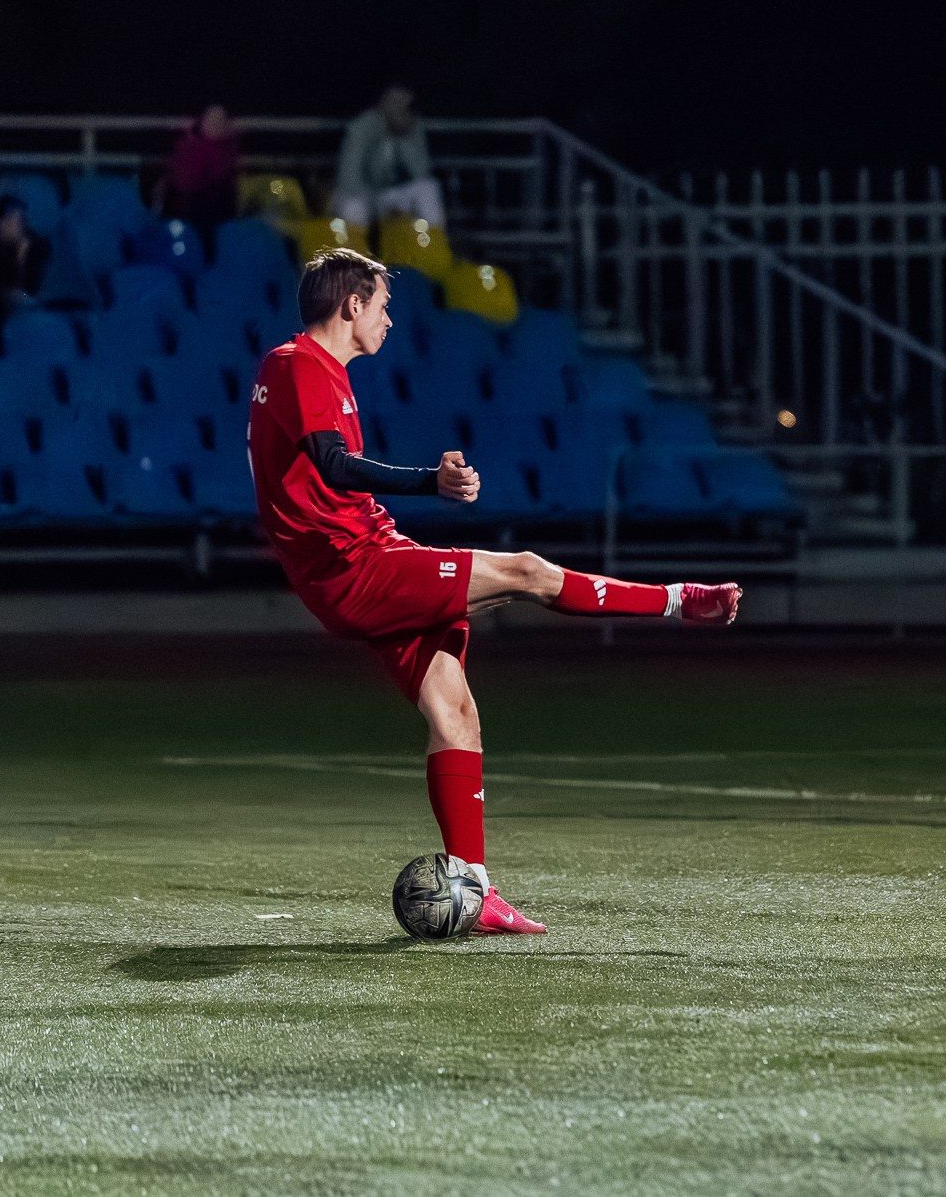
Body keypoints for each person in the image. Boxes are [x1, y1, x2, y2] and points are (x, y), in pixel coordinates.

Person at [249, 248, 741, 935]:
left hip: (366, 557)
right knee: (527, 572)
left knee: (456, 716)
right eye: (383, 305)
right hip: (357, 568)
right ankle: (678, 601)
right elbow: (332, 464)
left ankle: (475, 891)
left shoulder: (306, 370)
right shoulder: (298, 363)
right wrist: (432, 481)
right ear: (351, 305)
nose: (389, 319)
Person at [333, 85, 445, 230]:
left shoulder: (413, 126)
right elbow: (350, 174)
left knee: (428, 188)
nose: (399, 109)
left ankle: (432, 242)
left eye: (404, 105)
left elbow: (421, 172)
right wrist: (371, 201)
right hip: (366, 192)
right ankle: (356, 244)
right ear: (383, 102)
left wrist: (403, 137)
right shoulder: (362, 126)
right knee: (353, 206)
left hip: (394, 193)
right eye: (395, 103)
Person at [161, 104, 240, 246]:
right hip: (193, 208)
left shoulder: (229, 150)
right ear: (202, 122)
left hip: (217, 210)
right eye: (212, 119)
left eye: (220, 120)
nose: (216, 124)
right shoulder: (189, 147)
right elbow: (183, 183)